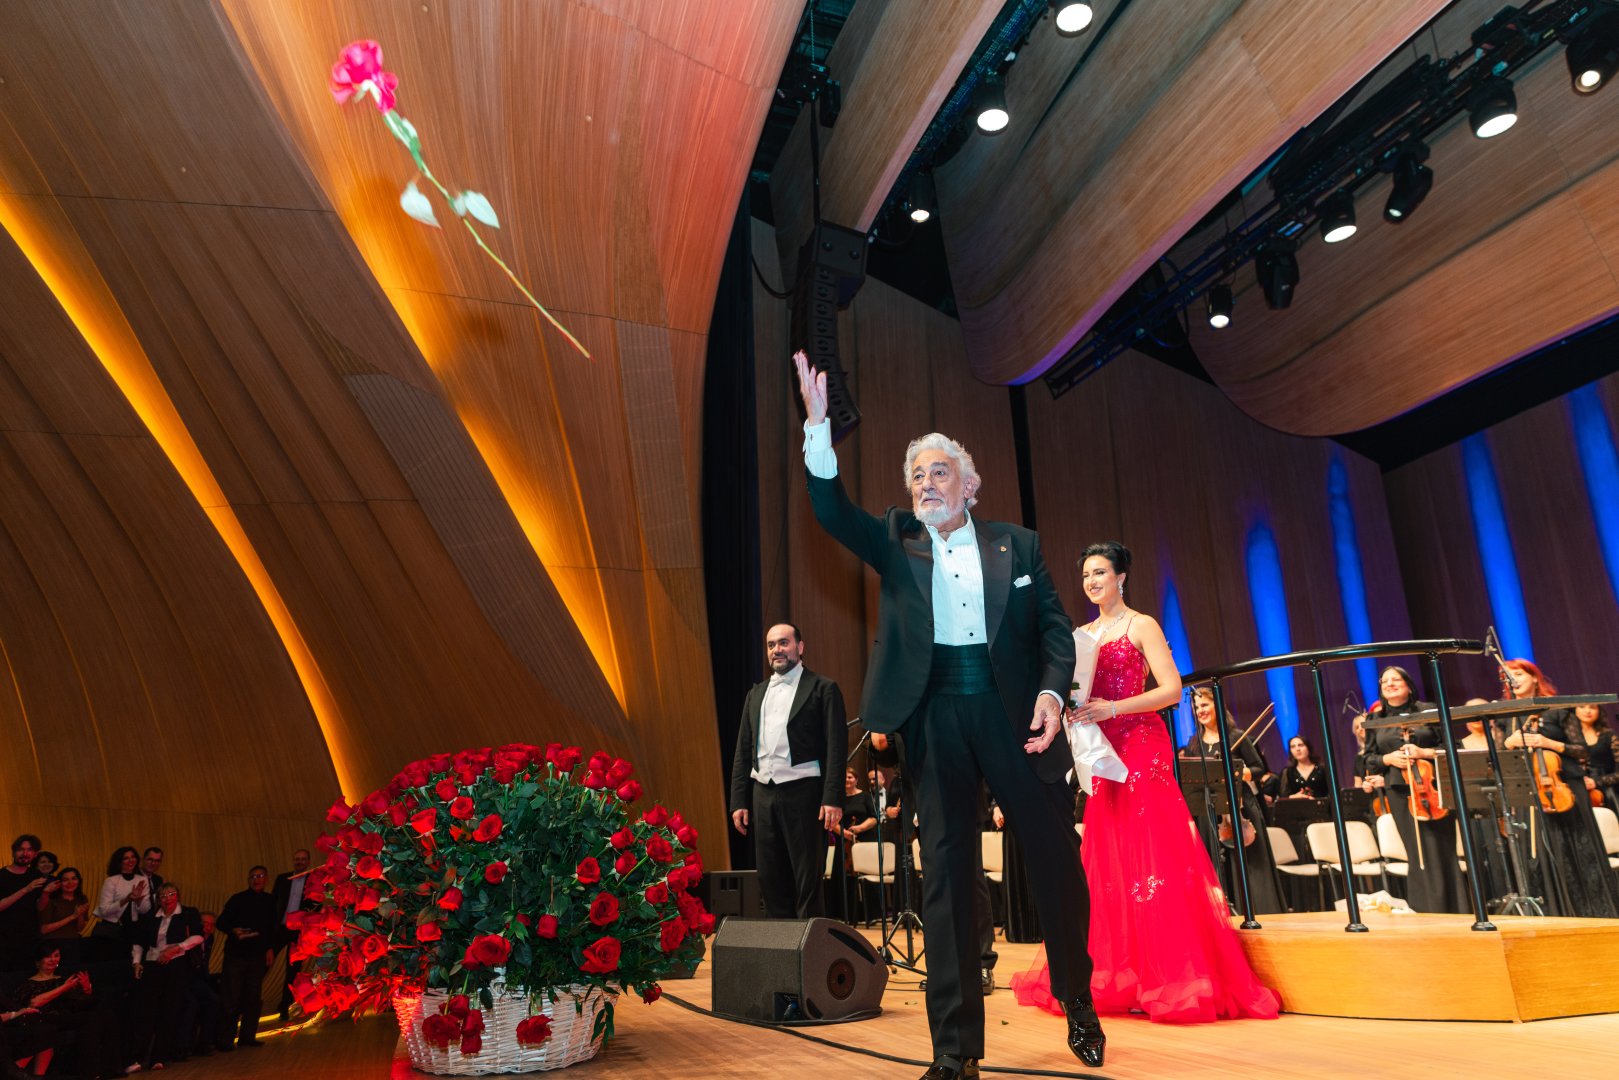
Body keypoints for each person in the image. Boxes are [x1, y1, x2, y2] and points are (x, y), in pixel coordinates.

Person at [795, 351, 1098, 1078]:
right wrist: (816, 428)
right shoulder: (896, 539)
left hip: (1012, 716)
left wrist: (1051, 694)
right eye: (916, 476)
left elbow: (1055, 631)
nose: (926, 483)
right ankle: (954, 1051)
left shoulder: (1017, 544)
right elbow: (831, 511)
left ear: (969, 484)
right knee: (948, 878)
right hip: (932, 717)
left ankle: (1077, 999)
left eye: (938, 472)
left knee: (1055, 859)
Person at [1012, 542, 1278, 1025]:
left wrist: (1113, 708)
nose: (1092, 582)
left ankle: (1170, 974)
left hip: (1139, 743)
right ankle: (1121, 974)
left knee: (1153, 850)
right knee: (1108, 854)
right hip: (1100, 749)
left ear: (1121, 577)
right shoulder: (1081, 634)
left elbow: (1172, 690)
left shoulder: (1142, 624)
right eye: (1086, 575)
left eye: (1100, 572)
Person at [729, 622, 848, 919]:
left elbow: (836, 748)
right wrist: (739, 800)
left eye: (783, 643)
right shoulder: (755, 694)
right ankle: (780, 947)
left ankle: (809, 946)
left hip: (805, 793)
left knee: (808, 881)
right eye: (771, 645)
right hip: (762, 794)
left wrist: (832, 797)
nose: (777, 650)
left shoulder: (823, 688)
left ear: (800, 647)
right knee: (770, 879)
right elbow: (743, 751)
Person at [1500, 661, 1619, 918]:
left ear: (1534, 677)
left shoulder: (1557, 708)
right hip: (1528, 789)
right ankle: (1550, 911)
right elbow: (1498, 757)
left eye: (1519, 674)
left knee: (1576, 848)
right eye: (1508, 675)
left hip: (1565, 787)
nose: (1513, 679)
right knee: (1537, 851)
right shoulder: (1505, 715)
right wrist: (1508, 743)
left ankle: (1590, 912)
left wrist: (1548, 742)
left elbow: (1582, 751)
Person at [1362, 666, 1466, 913]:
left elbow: (1454, 746)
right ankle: (1425, 909)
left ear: (1409, 685)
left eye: (1396, 679)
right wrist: (1388, 759)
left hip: (1433, 787)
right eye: (1385, 681)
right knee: (1416, 851)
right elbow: (1368, 759)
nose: (1390, 684)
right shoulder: (1375, 720)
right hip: (1399, 792)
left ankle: (1456, 907)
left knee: (1441, 847)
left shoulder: (1428, 710)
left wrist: (1424, 752)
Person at [1180, 687, 1285, 915]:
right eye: (1196, 707)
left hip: (1240, 807)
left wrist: (1237, 772)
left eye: (1204, 705)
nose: (1200, 710)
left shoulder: (1237, 737)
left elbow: (1258, 769)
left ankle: (1257, 912)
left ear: (1217, 706)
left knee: (1248, 863)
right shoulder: (1194, 742)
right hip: (1209, 811)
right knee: (1215, 861)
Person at [129, 883, 205, 1070]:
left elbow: (198, 936)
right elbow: (139, 942)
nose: (167, 899)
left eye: (171, 894)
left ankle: (159, 1057)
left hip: (176, 965)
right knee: (147, 1011)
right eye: (163, 896)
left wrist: (177, 948)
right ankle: (136, 1058)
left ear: (178, 896)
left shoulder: (188, 913)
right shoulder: (150, 916)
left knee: (170, 1011)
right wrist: (137, 962)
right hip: (152, 964)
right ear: (158, 899)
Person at [1, 944, 91, 1077]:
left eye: (56, 955)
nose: (53, 960)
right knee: (46, 1031)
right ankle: (15, 1074)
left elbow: (80, 1004)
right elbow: (33, 1004)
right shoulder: (29, 984)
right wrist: (64, 987)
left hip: (63, 1018)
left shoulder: (63, 980)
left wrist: (87, 988)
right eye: (48, 956)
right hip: (38, 1018)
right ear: (38, 961)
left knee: (97, 1016)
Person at [216, 866, 276, 1049]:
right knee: (231, 997)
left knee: (253, 997)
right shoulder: (237, 899)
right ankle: (225, 1040)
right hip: (236, 955)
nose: (256, 879)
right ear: (248, 880)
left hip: (257, 956)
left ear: (266, 879)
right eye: (253, 877)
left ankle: (247, 1036)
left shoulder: (270, 901)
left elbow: (271, 928)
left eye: (260, 876)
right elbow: (221, 922)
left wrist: (270, 949)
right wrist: (233, 930)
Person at [271, 849, 315, 1021]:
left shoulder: (314, 881)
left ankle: (285, 1007)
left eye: (303, 859)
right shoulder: (282, 879)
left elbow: (316, 906)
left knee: (293, 972)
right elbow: (273, 902)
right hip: (280, 929)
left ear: (308, 861)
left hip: (299, 932)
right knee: (264, 961)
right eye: (297, 859)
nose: (299, 862)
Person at [0, 837, 44, 974]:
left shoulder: (36, 875)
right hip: (5, 937)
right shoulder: (2, 875)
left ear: (35, 854)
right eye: (21, 850)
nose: (25, 853)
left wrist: (46, 893)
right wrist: (26, 889)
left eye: (29, 850)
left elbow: (40, 907)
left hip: (29, 937)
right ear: (13, 852)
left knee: (27, 975)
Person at [36, 868, 89, 969]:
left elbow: (79, 928)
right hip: (52, 945)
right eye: (65, 880)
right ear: (59, 883)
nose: (70, 883)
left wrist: (80, 915)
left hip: (73, 942)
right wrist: (72, 917)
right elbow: (44, 929)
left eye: (73, 878)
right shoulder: (52, 900)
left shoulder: (81, 899)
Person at [1574, 703, 1619, 812]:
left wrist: (1596, 782)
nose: (1587, 711)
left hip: (1607, 791)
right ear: (1574, 710)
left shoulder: (1609, 736)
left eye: (1592, 707)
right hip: (1577, 791)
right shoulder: (1568, 736)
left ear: (1599, 711)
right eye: (1582, 707)